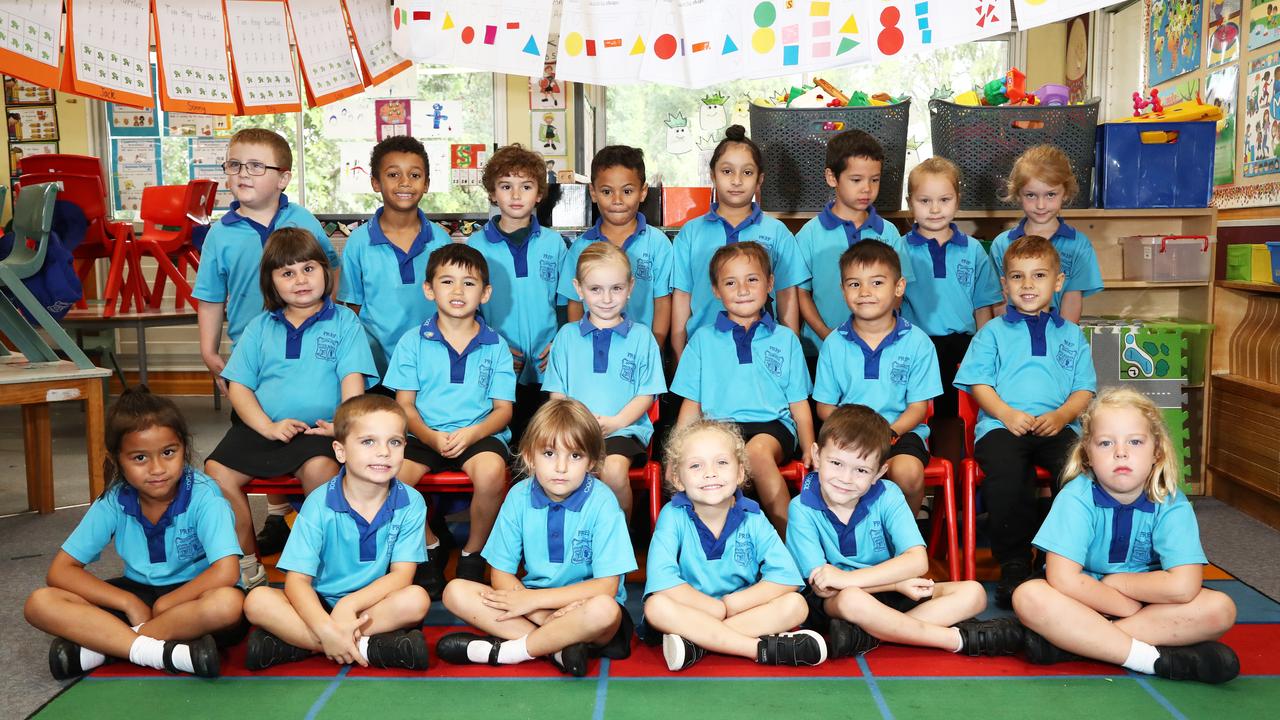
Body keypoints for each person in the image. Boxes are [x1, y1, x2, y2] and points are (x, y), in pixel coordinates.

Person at [1013, 388, 1239, 684]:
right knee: (1029, 596)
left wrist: (1119, 583)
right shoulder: (1076, 498)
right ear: (1088, 454)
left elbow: (1184, 587)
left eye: (1135, 441)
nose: (1121, 452)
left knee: (1220, 609)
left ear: (1156, 450)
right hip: (1084, 601)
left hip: (1150, 605)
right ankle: (1150, 660)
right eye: (1106, 443)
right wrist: (1124, 606)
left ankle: (1075, 644)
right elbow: (1064, 579)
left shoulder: (1171, 502)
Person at [24, 388, 243, 679]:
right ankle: (159, 651)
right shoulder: (114, 500)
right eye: (140, 458)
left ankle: (106, 647)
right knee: (40, 602)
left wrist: (167, 603)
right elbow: (61, 571)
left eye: (168, 453)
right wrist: (128, 602)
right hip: (138, 594)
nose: (157, 469)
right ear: (117, 460)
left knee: (228, 605)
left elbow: (226, 572)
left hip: (195, 595)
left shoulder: (205, 497)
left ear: (183, 448)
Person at [194, 128, 340, 556]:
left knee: (303, 439)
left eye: (256, 166)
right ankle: (275, 519)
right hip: (249, 353)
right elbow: (209, 296)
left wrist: (326, 318)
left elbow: (328, 271)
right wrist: (209, 350)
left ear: (283, 178)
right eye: (234, 164)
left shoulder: (304, 221)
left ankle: (300, 526)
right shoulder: (220, 233)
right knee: (259, 433)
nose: (243, 173)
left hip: (306, 349)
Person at [205, 228, 377, 589]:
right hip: (264, 428)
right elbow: (240, 387)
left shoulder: (344, 322)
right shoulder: (259, 327)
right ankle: (248, 565)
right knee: (216, 472)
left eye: (309, 269)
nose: (300, 280)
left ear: (325, 273)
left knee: (320, 471)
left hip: (319, 430)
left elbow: (352, 384)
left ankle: (328, 562)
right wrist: (266, 427)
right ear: (271, 283)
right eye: (287, 273)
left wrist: (341, 427)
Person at [787, 404, 1022, 659]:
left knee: (973, 593)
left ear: (879, 472)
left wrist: (857, 580)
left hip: (883, 590)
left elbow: (917, 561)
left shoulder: (888, 495)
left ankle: (869, 635)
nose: (846, 478)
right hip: (840, 602)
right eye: (836, 463)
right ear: (817, 456)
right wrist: (896, 582)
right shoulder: (801, 507)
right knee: (851, 599)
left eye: (861, 470)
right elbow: (824, 587)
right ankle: (953, 639)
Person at [435, 399, 637, 677]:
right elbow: (501, 574)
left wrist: (534, 602)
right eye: (550, 453)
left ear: (591, 462)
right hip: (531, 606)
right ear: (530, 457)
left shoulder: (603, 502)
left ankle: (509, 652)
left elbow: (606, 588)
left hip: (586, 609)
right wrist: (539, 610)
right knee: (455, 591)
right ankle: (558, 648)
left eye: (575, 456)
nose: (561, 467)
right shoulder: (518, 497)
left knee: (604, 610)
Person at [954, 234, 1097, 609]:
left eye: (1038, 276)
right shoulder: (992, 334)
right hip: (1003, 427)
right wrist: (1005, 413)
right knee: (1008, 474)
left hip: (1058, 426)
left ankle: (1058, 559)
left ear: (1059, 282)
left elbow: (1084, 390)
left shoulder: (1073, 335)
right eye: (1017, 277)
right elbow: (978, 384)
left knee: (1078, 472)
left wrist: (1063, 415)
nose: (1028, 285)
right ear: (1004, 285)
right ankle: (1015, 563)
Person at [242, 395, 431, 671]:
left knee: (416, 600)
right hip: (315, 606)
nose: (383, 452)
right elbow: (296, 583)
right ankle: (365, 647)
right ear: (340, 451)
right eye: (368, 441)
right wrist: (325, 626)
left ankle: (300, 645)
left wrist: (349, 606)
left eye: (395, 442)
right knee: (257, 601)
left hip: (371, 606)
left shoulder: (411, 501)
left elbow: (402, 576)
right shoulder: (319, 503)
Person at [383, 243, 516, 596]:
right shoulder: (412, 342)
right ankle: (430, 547)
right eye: (447, 281)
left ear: (485, 293)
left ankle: (474, 552)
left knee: (490, 475)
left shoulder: (495, 345)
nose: (458, 291)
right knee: (392, 480)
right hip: (423, 433)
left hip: (479, 433)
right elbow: (404, 407)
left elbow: (503, 410)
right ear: (429, 289)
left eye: (469, 283)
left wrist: (472, 434)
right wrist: (428, 436)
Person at [642, 419, 826, 671]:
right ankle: (756, 649)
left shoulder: (753, 517)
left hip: (740, 612)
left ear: (740, 472)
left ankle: (697, 645)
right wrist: (713, 608)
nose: (710, 473)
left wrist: (732, 604)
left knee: (796, 605)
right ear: (678, 478)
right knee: (656, 607)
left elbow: (786, 578)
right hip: (689, 612)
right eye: (696, 465)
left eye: (722, 462)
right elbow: (662, 580)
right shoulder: (672, 515)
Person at [671, 242, 813, 532]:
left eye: (752, 279)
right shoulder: (702, 340)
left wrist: (810, 445)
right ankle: (720, 548)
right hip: (718, 428)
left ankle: (793, 545)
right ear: (716, 290)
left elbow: (799, 403)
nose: (743, 289)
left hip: (771, 426)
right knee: (709, 464)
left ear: (770, 283)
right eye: (730, 282)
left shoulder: (786, 340)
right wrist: (676, 453)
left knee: (756, 453)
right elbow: (692, 404)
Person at [812, 240, 942, 515]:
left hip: (900, 433)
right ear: (843, 290)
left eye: (877, 283)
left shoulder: (918, 343)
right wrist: (855, 433)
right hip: (848, 436)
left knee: (907, 472)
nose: (865, 292)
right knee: (836, 475)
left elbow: (919, 408)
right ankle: (851, 540)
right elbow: (824, 406)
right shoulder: (834, 343)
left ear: (899, 287)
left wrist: (889, 433)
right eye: (854, 284)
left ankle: (904, 541)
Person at [544, 243, 666, 520]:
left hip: (623, 431)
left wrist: (616, 422)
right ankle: (573, 532)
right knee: (552, 470)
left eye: (616, 288)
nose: (607, 298)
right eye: (595, 289)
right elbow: (557, 396)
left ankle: (620, 534)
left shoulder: (642, 337)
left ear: (630, 286)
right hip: (572, 433)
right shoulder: (566, 336)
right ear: (578, 288)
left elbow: (646, 395)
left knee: (612, 471)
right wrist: (576, 427)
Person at [899, 158, 1003, 475]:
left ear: (957, 200)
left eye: (944, 200)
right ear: (910, 204)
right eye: (924, 201)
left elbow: (982, 306)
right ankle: (925, 479)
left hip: (963, 346)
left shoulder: (972, 250)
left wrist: (985, 351)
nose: (934, 209)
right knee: (922, 413)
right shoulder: (900, 249)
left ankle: (955, 486)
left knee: (955, 417)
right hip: (916, 346)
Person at [671, 125, 807, 361]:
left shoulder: (777, 233)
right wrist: (679, 356)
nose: (736, 181)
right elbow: (682, 299)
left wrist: (790, 354)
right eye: (727, 171)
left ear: (759, 179)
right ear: (713, 175)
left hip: (763, 351)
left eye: (746, 172)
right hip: (703, 352)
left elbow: (787, 297)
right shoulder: (690, 233)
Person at [466, 144, 566, 442]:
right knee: (507, 445)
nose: (516, 195)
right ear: (493, 193)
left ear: (539, 194)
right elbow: (469, 310)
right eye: (506, 186)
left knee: (545, 442)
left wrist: (560, 344)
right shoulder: (476, 246)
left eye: (526, 186)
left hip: (549, 365)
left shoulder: (554, 244)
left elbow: (565, 304)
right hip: (499, 363)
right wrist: (493, 346)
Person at [338, 135, 452, 377]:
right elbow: (352, 310)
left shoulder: (441, 241)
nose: (404, 183)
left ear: (427, 183)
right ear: (375, 183)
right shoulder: (359, 242)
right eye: (393, 174)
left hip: (431, 366)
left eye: (414, 175)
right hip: (376, 367)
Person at [795, 128, 913, 361]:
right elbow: (801, 294)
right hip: (821, 350)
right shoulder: (809, 234)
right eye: (856, 180)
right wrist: (827, 335)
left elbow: (898, 290)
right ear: (832, 178)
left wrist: (880, 331)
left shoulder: (888, 232)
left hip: (879, 348)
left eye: (875, 180)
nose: (867, 189)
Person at [560, 145, 673, 348]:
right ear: (593, 193)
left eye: (627, 191)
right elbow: (575, 303)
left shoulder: (658, 244)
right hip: (592, 352)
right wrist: (578, 348)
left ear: (643, 192)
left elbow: (663, 303)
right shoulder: (580, 247)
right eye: (607, 191)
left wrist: (654, 348)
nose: (617, 200)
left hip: (642, 353)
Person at [989, 145, 1103, 323]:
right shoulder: (1001, 245)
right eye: (1031, 195)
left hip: (1056, 340)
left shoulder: (1079, 245)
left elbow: (1072, 301)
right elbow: (998, 300)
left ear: (1065, 193)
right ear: (1018, 195)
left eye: (1050, 195)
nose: (1041, 205)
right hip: (1013, 342)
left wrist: (1062, 342)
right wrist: (1008, 338)